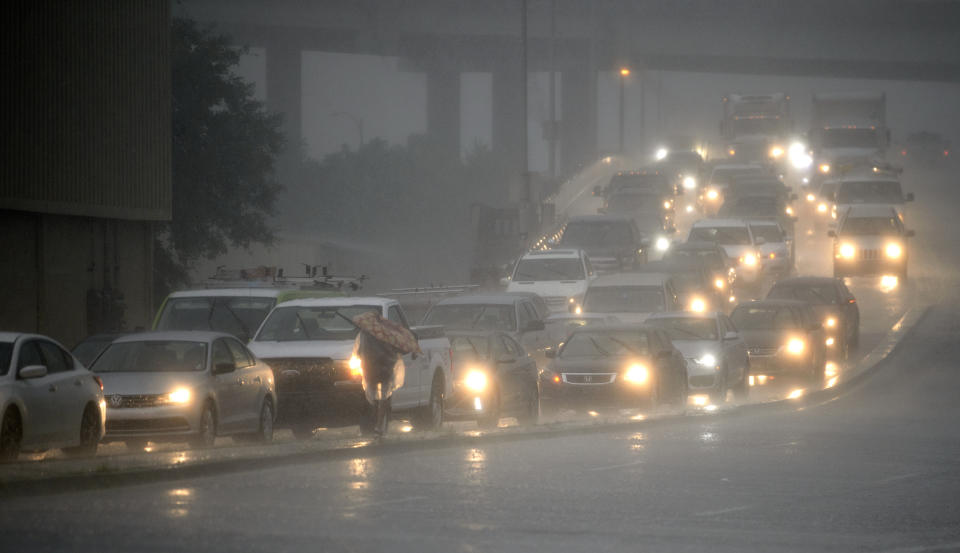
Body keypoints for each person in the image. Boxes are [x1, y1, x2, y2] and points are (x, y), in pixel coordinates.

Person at [353, 316, 405, 437]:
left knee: (371, 397)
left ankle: (373, 422)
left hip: (370, 369)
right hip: (386, 369)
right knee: (384, 397)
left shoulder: (365, 335)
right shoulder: (388, 334)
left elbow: (359, 352)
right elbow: (395, 351)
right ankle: (379, 425)